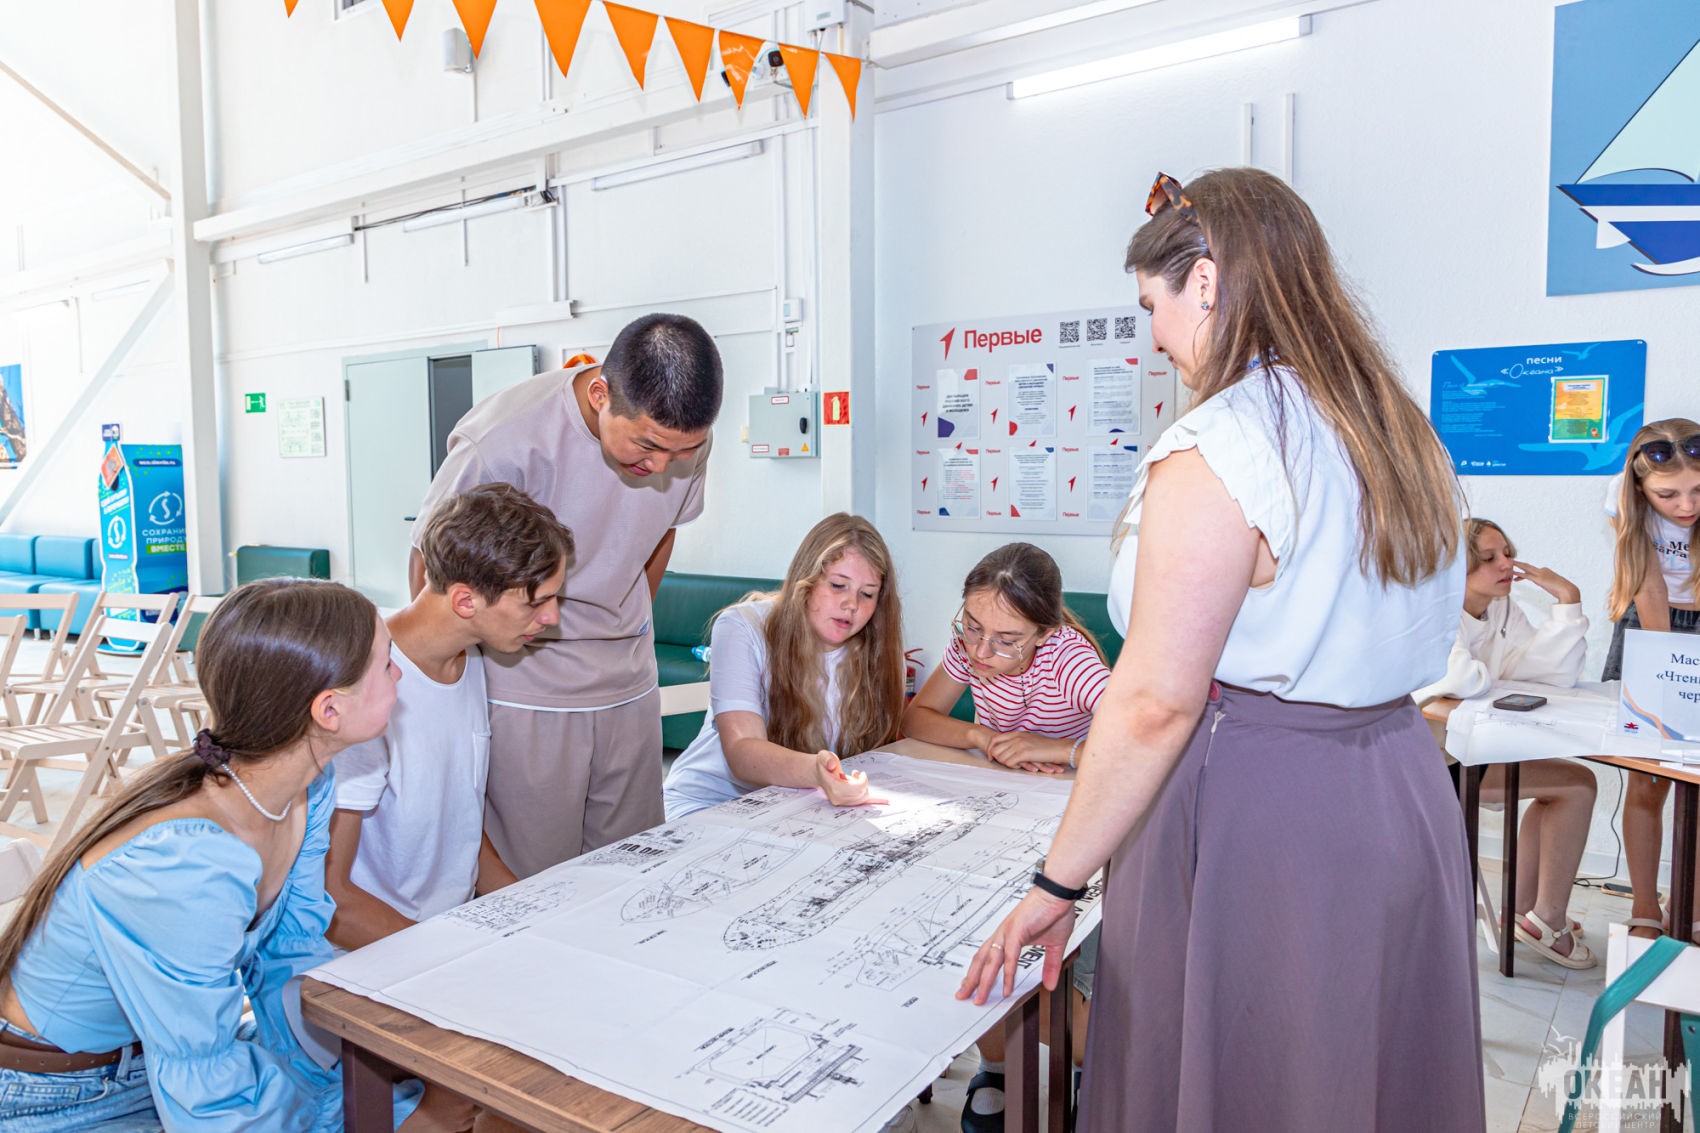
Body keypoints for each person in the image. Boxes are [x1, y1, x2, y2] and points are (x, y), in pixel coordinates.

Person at [957, 168, 1483, 1132]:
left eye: (1150, 306)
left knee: (1250, 1068)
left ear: (1204, 280)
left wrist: (1057, 882)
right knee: (1359, 1061)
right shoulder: (1399, 432)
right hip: (1402, 783)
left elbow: (1155, 699)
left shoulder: (1224, 446)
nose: (1154, 336)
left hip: (1264, 806)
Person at [0, 579, 416, 1131]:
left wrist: (345, 1086)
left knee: (401, 1097)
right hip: (60, 1094)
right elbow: (211, 1096)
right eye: (386, 663)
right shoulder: (184, 861)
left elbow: (287, 959)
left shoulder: (305, 790)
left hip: (165, 1055)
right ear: (329, 709)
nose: (399, 675)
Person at [410, 313, 723, 877]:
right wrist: (444, 694)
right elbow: (431, 567)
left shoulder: (680, 439)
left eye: (682, 453)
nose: (660, 466)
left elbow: (663, 530)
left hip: (628, 683)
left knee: (630, 870)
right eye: (648, 445)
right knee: (534, 880)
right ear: (601, 394)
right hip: (525, 685)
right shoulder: (503, 440)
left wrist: (625, 623)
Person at [900, 542, 1108, 1133]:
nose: (981, 652)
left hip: (1071, 826)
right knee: (972, 929)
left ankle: (1087, 1066)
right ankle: (995, 1067)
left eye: (1007, 639)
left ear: (1044, 631)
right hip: (997, 814)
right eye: (972, 627)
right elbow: (917, 717)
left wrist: (1059, 748)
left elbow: (1136, 738)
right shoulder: (972, 648)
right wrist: (981, 738)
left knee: (1060, 961)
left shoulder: (1069, 658)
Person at [326, 483, 574, 951]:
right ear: (465, 601)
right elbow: (331, 898)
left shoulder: (470, 657)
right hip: (371, 953)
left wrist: (530, 915)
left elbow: (459, 824)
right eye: (535, 602)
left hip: (447, 933)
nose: (552, 618)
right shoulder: (361, 686)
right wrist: (445, 957)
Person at [1414, 517, 1597, 969]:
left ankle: (1527, 914)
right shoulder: (1431, 609)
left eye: (1508, 553)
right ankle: (1545, 920)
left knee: (1570, 784)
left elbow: (1549, 673)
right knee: (1576, 787)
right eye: (1489, 558)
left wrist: (1568, 601)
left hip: (1465, 754)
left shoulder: (1501, 609)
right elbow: (1460, 678)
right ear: (1455, 565)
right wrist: (1495, 678)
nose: (1506, 565)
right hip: (1426, 769)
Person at [661, 513, 905, 820]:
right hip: (708, 803)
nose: (852, 605)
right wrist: (816, 772)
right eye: (838, 585)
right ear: (806, 581)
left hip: (797, 807)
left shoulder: (877, 650)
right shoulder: (741, 627)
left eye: (867, 594)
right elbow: (743, 749)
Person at [1599, 420, 1700, 941]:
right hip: (1651, 623)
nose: (1686, 506)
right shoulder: (1620, 499)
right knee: (1649, 775)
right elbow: (1651, 589)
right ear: (1640, 490)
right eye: (1668, 495)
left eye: (1698, 490)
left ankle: (1693, 908)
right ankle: (1644, 907)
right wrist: (1668, 675)